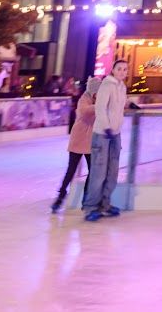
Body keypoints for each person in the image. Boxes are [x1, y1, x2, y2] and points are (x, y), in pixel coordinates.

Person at [83, 59, 130, 222]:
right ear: (113, 70)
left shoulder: (122, 87)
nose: (122, 72)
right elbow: (100, 108)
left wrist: (130, 104)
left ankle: (105, 204)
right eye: (119, 69)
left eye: (125, 69)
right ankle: (91, 207)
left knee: (112, 172)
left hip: (115, 134)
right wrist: (107, 127)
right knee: (99, 172)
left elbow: (118, 106)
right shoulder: (106, 85)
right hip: (102, 134)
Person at [52, 77, 98, 212]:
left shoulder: (98, 100)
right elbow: (85, 112)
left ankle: (86, 197)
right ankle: (61, 195)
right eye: (96, 91)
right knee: (71, 170)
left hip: (90, 141)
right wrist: (100, 105)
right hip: (78, 139)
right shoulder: (84, 99)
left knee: (93, 171)